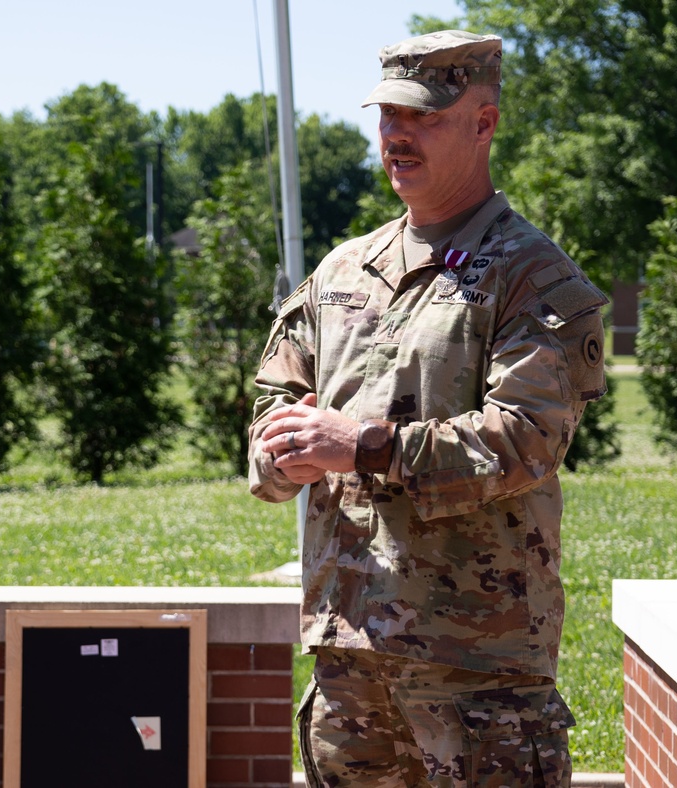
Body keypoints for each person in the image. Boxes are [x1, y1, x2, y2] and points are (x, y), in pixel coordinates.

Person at [247, 29, 608, 787]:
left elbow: (523, 441)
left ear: (485, 122)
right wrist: (279, 455)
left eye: (423, 116)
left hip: (477, 669)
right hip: (348, 658)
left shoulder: (531, 277)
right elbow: (273, 409)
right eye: (387, 116)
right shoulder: (343, 270)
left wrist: (363, 445)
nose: (397, 135)